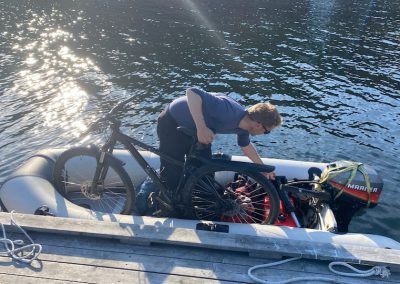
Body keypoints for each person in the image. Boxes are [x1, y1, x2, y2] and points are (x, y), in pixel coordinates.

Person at [157, 87, 282, 192]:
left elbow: (246, 146)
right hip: (172, 122)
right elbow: (192, 92)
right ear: (258, 125)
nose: (264, 133)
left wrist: (263, 170)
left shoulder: (244, 128)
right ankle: (169, 203)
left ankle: (198, 200)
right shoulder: (227, 110)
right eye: (266, 132)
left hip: (196, 129)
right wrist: (201, 127)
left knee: (205, 171)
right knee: (172, 171)